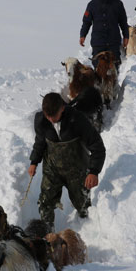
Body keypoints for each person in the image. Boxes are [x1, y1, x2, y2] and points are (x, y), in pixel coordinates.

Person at [28, 92, 106, 229]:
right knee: (45, 203)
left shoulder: (77, 119)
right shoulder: (41, 120)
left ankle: (86, 229)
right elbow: (40, 142)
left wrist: (94, 171)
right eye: (48, 116)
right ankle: (47, 234)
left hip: (77, 169)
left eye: (54, 115)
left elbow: (97, 146)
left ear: (62, 108)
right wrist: (34, 161)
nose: (51, 119)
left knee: (83, 205)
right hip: (52, 169)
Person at [80, 0, 129, 68]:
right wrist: (83, 35)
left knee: (114, 68)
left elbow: (123, 22)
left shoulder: (117, 3)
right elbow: (86, 22)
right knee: (99, 68)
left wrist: (126, 36)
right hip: (98, 42)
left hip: (113, 41)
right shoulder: (92, 5)